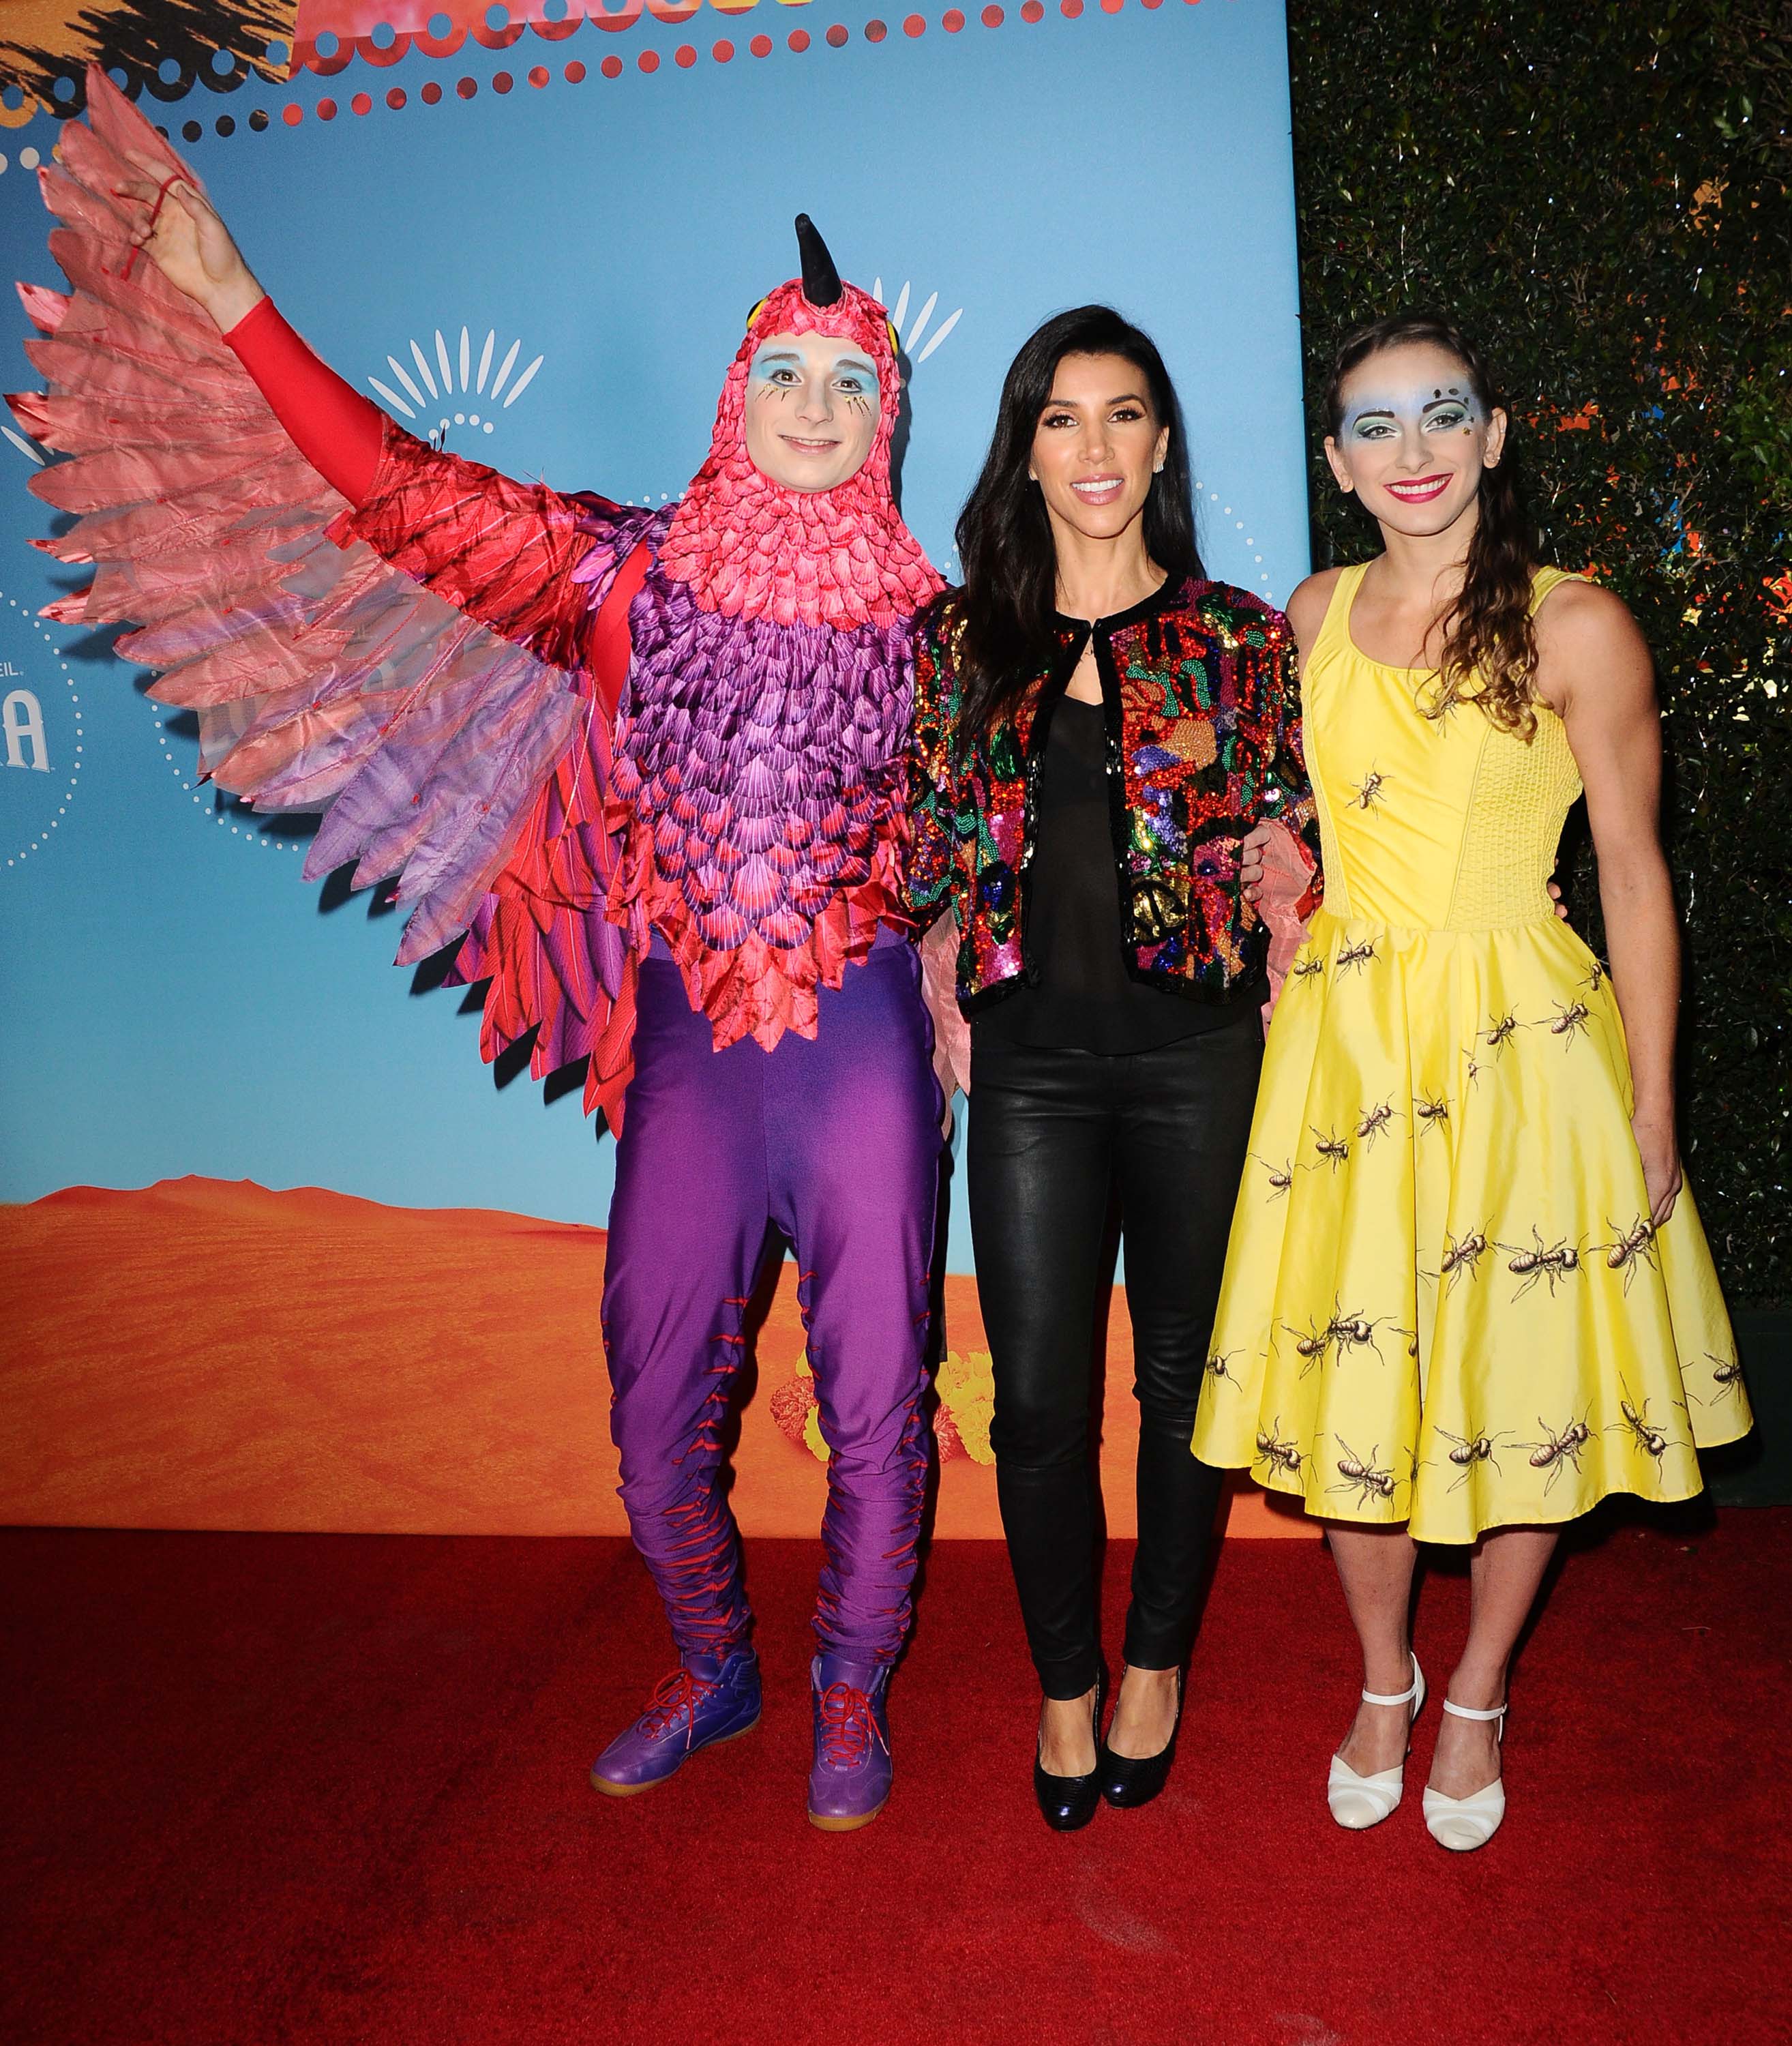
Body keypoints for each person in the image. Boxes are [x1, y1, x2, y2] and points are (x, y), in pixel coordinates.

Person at [16, 70, 948, 1832]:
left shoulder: (936, 629)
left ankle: (850, 1688)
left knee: (882, 1402)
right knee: (652, 1403)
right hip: (694, 1059)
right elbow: (403, 493)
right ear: (733, 394)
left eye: (851, 381)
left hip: (865, 1059)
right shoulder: (618, 577)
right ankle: (714, 1667)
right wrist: (237, 301)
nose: (817, 406)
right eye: (786, 372)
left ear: (887, 415)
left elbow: (1020, 826)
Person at [1191, 311, 1753, 1850]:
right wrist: (1288, 868)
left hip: (1526, 1055)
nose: (1414, 450)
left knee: (1521, 1386)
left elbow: (1632, 876)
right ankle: (1385, 1678)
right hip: (1350, 1054)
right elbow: (1327, 821)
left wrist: (1653, 1107)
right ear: (1335, 461)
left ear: (1495, 436)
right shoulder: (1311, 614)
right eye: (1375, 425)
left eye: (1443, 414)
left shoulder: (1579, 625)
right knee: (1357, 1382)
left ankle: (1481, 1689)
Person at [908, 306, 1322, 1830]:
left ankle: (1155, 1665)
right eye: (1062, 417)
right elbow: (916, 853)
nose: (1095, 447)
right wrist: (931, 953)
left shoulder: (1238, 641)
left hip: (1197, 1062)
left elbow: (1309, 834)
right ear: (1025, 449)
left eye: (1124, 414)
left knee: (1182, 1386)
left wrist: (1316, 882)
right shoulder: (957, 644)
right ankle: (1065, 1685)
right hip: (1030, 1073)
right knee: (1036, 1407)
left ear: (1161, 443)